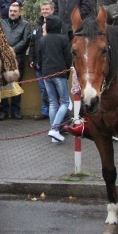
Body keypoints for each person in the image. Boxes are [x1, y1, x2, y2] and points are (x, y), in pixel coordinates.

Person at [38, 15, 72, 143]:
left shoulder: (43, 40)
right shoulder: (63, 39)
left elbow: (39, 58)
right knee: (65, 102)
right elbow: (68, 58)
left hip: (46, 73)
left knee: (52, 103)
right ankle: (55, 129)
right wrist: (67, 72)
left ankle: (54, 133)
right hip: (60, 73)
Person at [0, 2, 31, 120]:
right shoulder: (2, 23)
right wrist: (5, 51)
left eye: (15, 11)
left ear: (19, 12)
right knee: (3, 85)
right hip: (3, 59)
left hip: (18, 59)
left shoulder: (26, 25)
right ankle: (3, 111)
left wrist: (12, 50)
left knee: (17, 85)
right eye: (11, 11)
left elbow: (26, 40)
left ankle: (16, 110)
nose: (12, 13)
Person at [29, 1, 54, 120]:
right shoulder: (37, 25)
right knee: (43, 89)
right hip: (39, 64)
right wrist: (31, 59)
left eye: (47, 9)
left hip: (52, 64)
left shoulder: (57, 24)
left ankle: (56, 113)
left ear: (52, 10)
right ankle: (46, 111)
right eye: (43, 9)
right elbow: (33, 43)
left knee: (53, 90)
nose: (44, 11)